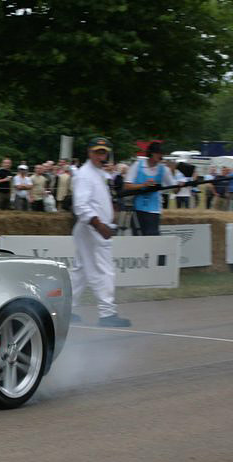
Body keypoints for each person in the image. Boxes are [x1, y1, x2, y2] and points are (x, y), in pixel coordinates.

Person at [70, 136, 130, 328]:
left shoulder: (99, 173)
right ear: (89, 152)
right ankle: (107, 313)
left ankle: (65, 309)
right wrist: (99, 225)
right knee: (103, 270)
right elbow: (80, 205)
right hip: (92, 228)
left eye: (103, 152)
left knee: (81, 271)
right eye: (97, 151)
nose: (100, 155)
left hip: (91, 227)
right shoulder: (85, 174)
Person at [124, 141, 173, 236]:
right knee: (137, 237)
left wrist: (182, 183)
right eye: (158, 153)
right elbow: (127, 185)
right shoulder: (138, 165)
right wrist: (144, 185)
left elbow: (175, 188)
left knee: (152, 237)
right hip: (138, 209)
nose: (160, 156)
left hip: (154, 210)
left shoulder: (164, 170)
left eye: (161, 153)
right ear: (151, 153)